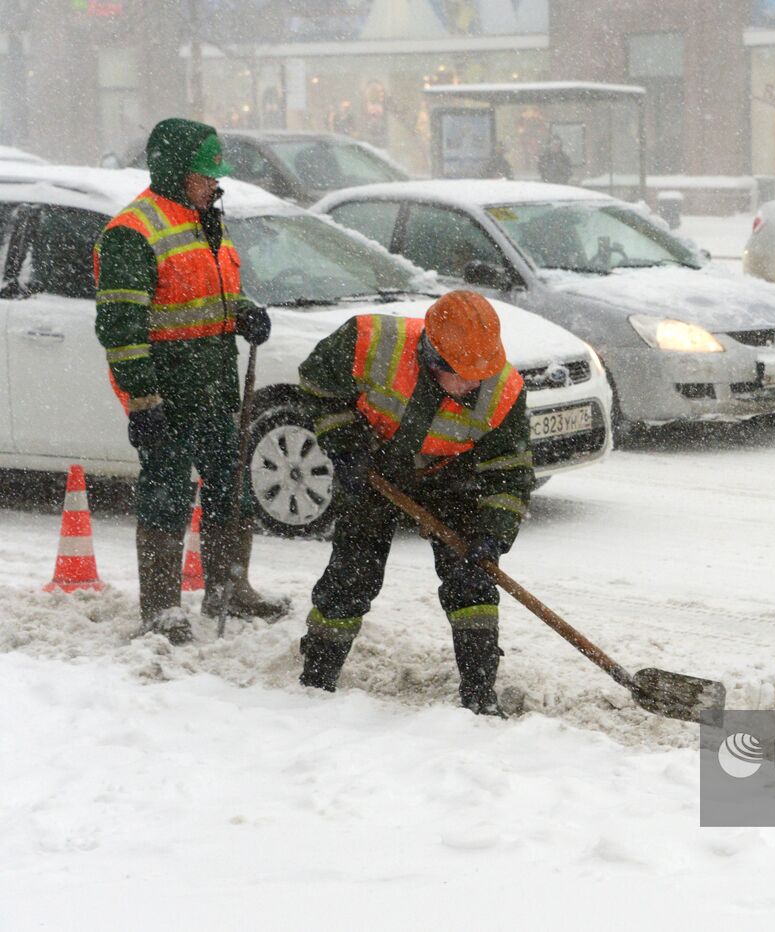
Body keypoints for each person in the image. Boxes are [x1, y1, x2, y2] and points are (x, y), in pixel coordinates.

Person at [294, 291, 534, 715]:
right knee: (353, 573)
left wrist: (492, 535)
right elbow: (318, 385)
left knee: (472, 582)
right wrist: (345, 443)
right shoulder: (369, 341)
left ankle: (479, 693)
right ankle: (318, 675)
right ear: (432, 356)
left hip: (450, 477)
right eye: (463, 375)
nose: (473, 385)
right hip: (373, 467)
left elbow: (509, 471)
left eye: (481, 374)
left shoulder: (504, 390)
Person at [95, 118, 288, 644]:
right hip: (168, 393)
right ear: (177, 172)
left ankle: (230, 589)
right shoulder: (132, 233)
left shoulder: (207, 220)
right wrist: (143, 400)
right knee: (166, 496)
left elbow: (214, 295)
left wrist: (245, 312)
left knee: (231, 489)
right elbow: (121, 329)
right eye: (206, 175)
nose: (215, 184)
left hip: (214, 387)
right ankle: (161, 609)